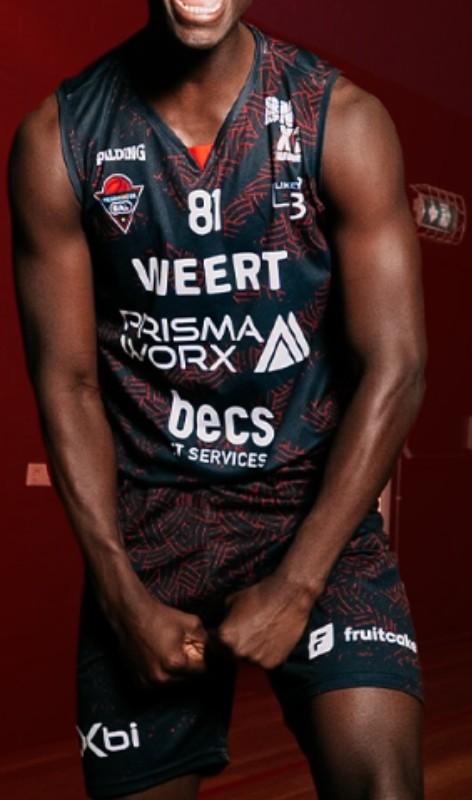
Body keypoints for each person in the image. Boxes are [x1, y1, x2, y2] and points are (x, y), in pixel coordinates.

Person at [9, 1, 427, 798]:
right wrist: (118, 594)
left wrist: (298, 585)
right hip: (151, 527)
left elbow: (397, 366)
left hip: (310, 509)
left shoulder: (338, 119)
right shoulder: (60, 138)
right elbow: (65, 382)